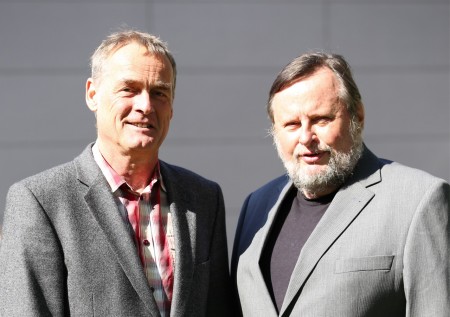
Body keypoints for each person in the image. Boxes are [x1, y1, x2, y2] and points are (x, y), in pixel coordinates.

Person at [0, 29, 234, 316]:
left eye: (160, 92)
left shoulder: (204, 199)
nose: (145, 106)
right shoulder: (40, 201)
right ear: (92, 95)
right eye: (129, 89)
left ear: (172, 106)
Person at [231, 52, 450, 316]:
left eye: (321, 119)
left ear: (358, 116)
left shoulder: (420, 201)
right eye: (291, 124)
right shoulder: (256, 206)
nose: (306, 137)